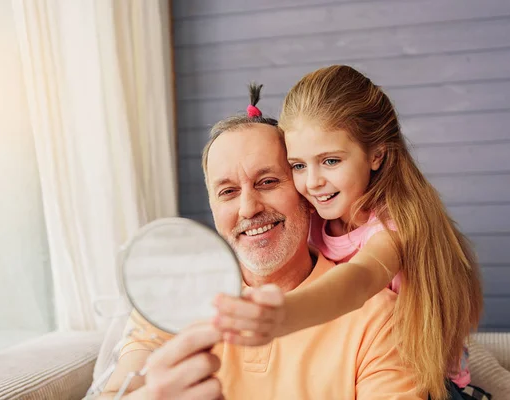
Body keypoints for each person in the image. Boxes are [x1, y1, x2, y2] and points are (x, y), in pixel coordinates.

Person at [100, 87, 431, 399]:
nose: (248, 208)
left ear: (305, 193)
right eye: (227, 191)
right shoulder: (170, 302)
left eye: (268, 182)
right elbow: (116, 389)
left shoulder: (379, 318)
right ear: (213, 207)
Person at [212, 66, 484, 400]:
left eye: (330, 161)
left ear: (376, 156)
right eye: (298, 165)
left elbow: (356, 282)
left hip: (432, 383)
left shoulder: (395, 228)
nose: (313, 182)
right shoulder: (313, 213)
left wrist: (284, 314)